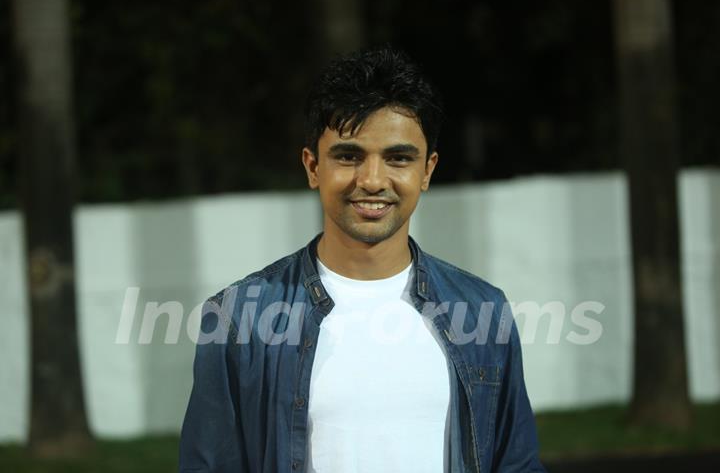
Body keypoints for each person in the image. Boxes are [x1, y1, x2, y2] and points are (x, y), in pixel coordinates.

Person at [179, 46, 545, 473]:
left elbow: (516, 464)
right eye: (349, 156)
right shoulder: (237, 318)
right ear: (313, 166)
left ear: (427, 171)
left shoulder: (483, 310)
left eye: (398, 158)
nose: (372, 180)